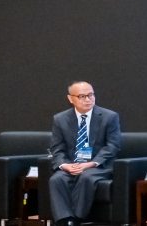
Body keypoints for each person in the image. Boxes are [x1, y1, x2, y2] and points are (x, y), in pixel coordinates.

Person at [48, 81, 122, 226]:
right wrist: (64, 165)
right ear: (71, 99)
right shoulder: (60, 119)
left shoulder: (109, 117)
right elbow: (57, 148)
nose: (88, 99)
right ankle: (65, 220)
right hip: (72, 164)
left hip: (98, 165)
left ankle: (76, 219)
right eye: (82, 96)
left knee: (86, 177)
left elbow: (113, 146)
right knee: (57, 179)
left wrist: (90, 164)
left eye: (91, 95)